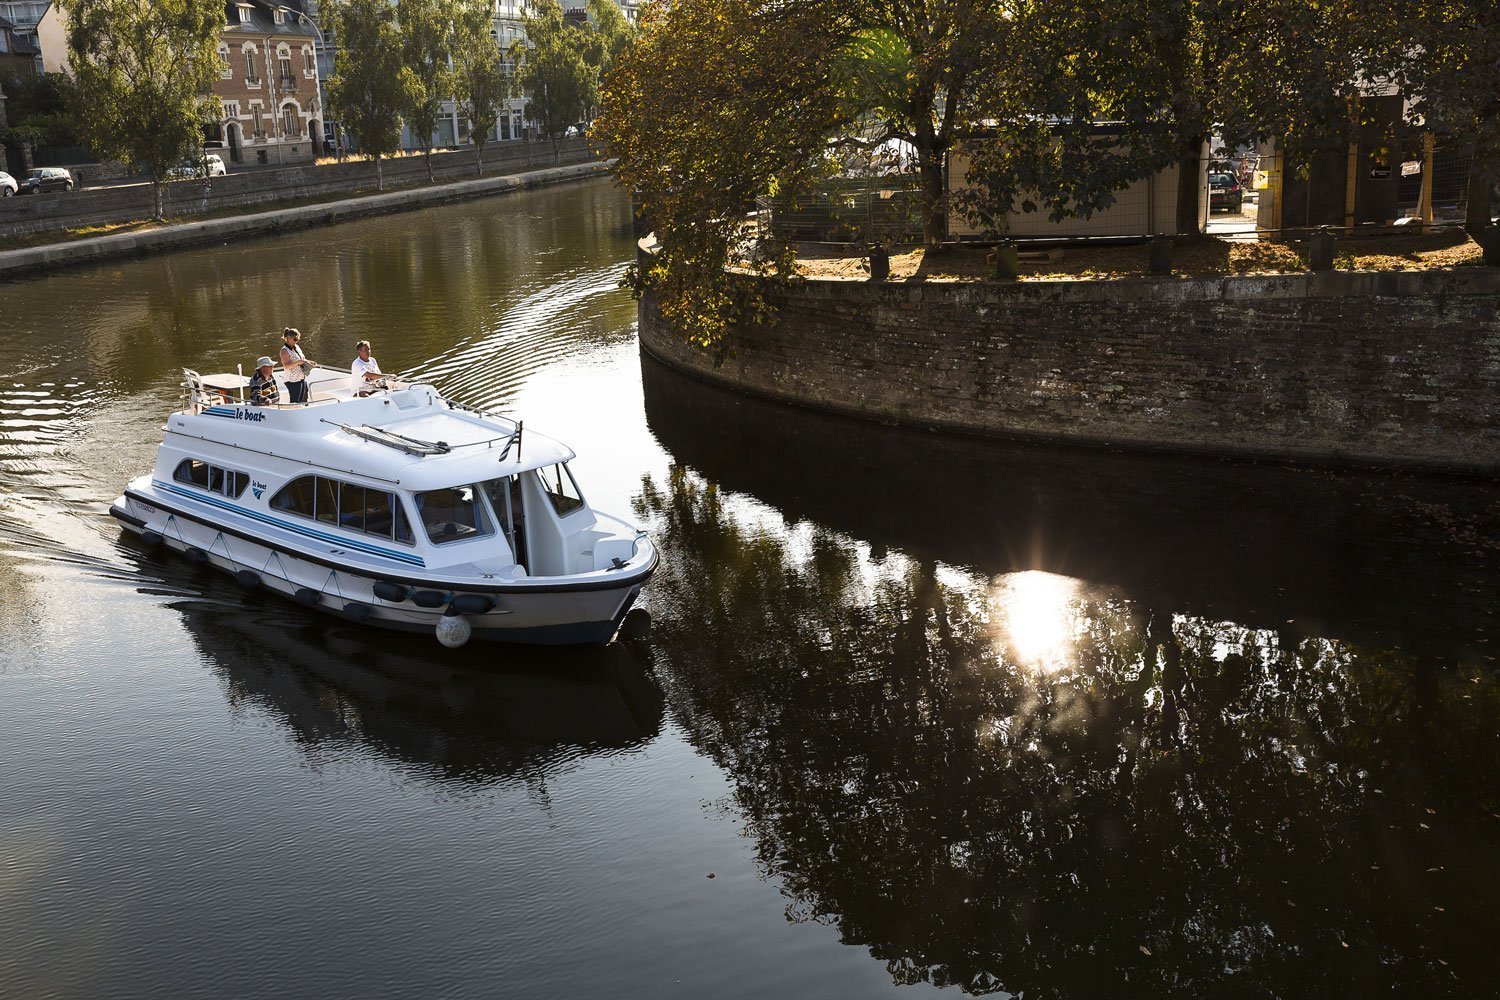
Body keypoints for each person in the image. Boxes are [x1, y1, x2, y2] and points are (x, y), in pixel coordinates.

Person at [279, 328, 315, 404]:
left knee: (304, 401)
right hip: (292, 381)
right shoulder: (284, 351)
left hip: (301, 378)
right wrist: (297, 362)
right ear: (288, 338)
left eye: (298, 339)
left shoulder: (297, 347)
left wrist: (308, 362)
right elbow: (286, 366)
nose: (296, 341)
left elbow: (302, 358)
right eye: (295, 339)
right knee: (295, 402)